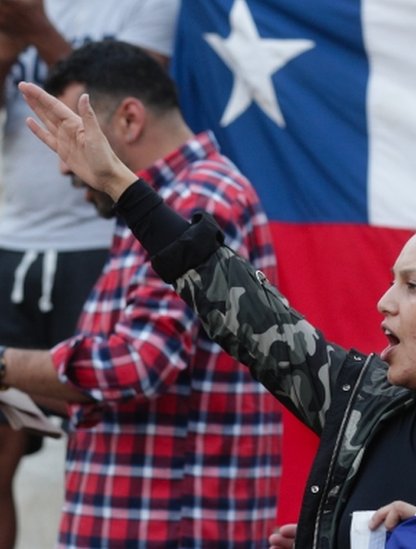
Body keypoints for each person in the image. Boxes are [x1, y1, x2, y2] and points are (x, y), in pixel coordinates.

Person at [18, 77, 416, 549]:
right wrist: (120, 183)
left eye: (415, 287)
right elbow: (243, 307)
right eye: (391, 283)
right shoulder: (361, 399)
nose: (385, 303)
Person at [0, 41, 282, 547]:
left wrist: (4, 366)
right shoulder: (157, 206)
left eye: (71, 134)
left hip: (169, 526)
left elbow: (136, 365)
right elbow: (129, 384)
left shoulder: (197, 200)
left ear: (129, 119)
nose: (64, 166)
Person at [0, 2, 178, 547]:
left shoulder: (152, 4)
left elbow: (131, 97)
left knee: (104, 431)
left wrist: (39, 31)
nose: (61, 161)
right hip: (12, 238)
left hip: (104, 240)